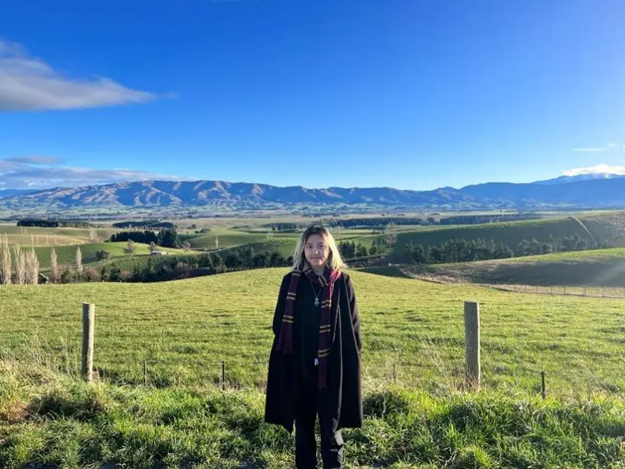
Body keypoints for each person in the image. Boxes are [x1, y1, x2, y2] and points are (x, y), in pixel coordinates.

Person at [265, 225, 362, 469]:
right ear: (302, 250)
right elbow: (279, 325)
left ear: (330, 250)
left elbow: (353, 330)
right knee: (303, 430)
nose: (315, 251)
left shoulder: (342, 283)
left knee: (331, 431)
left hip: (331, 371)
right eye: (309, 246)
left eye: (320, 245)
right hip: (300, 369)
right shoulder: (291, 282)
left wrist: (350, 366)